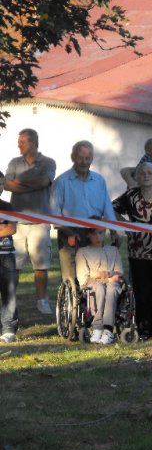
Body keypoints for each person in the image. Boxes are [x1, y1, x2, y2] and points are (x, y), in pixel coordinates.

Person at [112, 161, 152, 340]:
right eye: (142, 173)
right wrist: (125, 225)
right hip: (137, 251)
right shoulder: (131, 195)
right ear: (137, 177)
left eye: (150, 173)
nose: (146, 176)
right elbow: (111, 208)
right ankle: (143, 328)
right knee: (141, 290)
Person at [3, 128, 56, 314]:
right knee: (14, 265)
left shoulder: (48, 162)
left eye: (22, 142)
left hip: (40, 222)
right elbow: (6, 184)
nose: (18, 144)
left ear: (33, 142)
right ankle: (10, 301)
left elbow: (44, 182)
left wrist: (19, 183)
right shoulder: (14, 162)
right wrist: (31, 185)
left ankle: (42, 301)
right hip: (16, 223)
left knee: (41, 266)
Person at [50, 140, 119, 282]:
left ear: (92, 159)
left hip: (95, 232)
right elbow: (55, 214)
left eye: (87, 158)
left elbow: (107, 207)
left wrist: (114, 230)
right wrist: (70, 233)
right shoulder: (62, 181)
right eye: (80, 158)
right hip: (70, 233)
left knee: (97, 274)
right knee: (72, 276)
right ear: (73, 157)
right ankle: (73, 296)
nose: (84, 162)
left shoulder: (99, 180)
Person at [75, 227, 124, 345]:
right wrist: (108, 276)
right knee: (99, 288)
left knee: (111, 289)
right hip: (92, 285)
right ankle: (97, 327)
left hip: (112, 284)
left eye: (100, 233)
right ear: (88, 235)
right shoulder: (82, 252)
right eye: (94, 234)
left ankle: (108, 329)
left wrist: (98, 274)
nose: (97, 236)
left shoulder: (113, 250)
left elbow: (119, 272)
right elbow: (84, 278)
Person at [0, 171, 18, 343]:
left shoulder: (7, 206)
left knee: (8, 292)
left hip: (6, 255)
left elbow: (11, 229)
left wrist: (4, 229)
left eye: (1, 184)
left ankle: (8, 328)